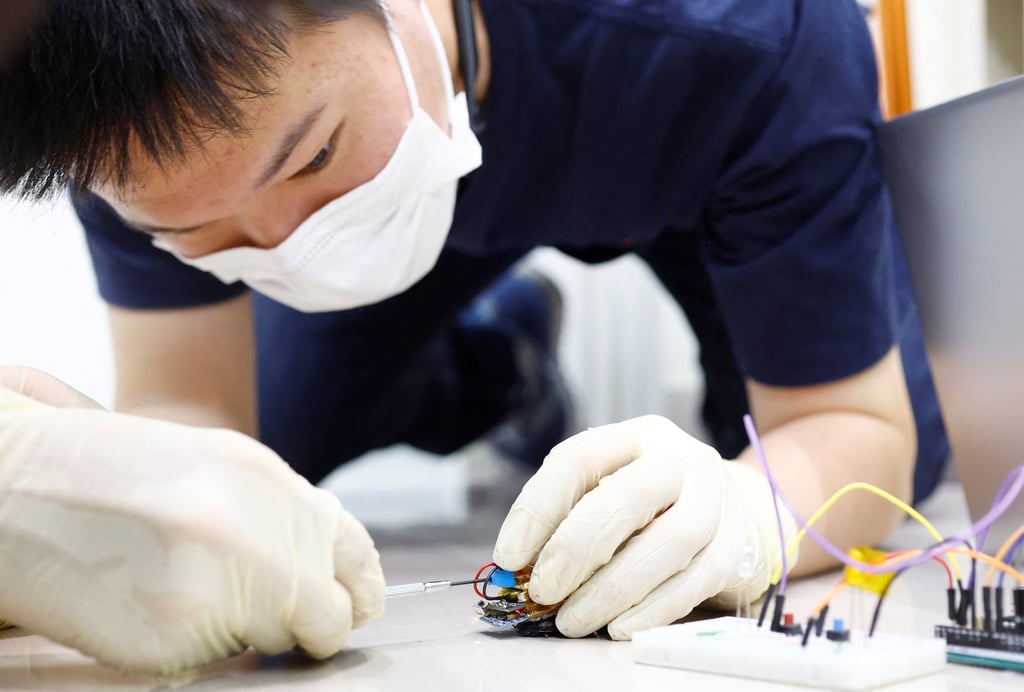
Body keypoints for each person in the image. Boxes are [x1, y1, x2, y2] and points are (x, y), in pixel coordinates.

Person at [0, 0, 949, 674]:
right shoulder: (120, 133)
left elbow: (851, 426)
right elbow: (191, 417)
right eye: (195, 233)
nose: (292, 243)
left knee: (878, 445)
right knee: (269, 458)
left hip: (705, 174)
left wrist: (749, 517)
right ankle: (500, 367)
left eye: (313, 156)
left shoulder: (749, 33)